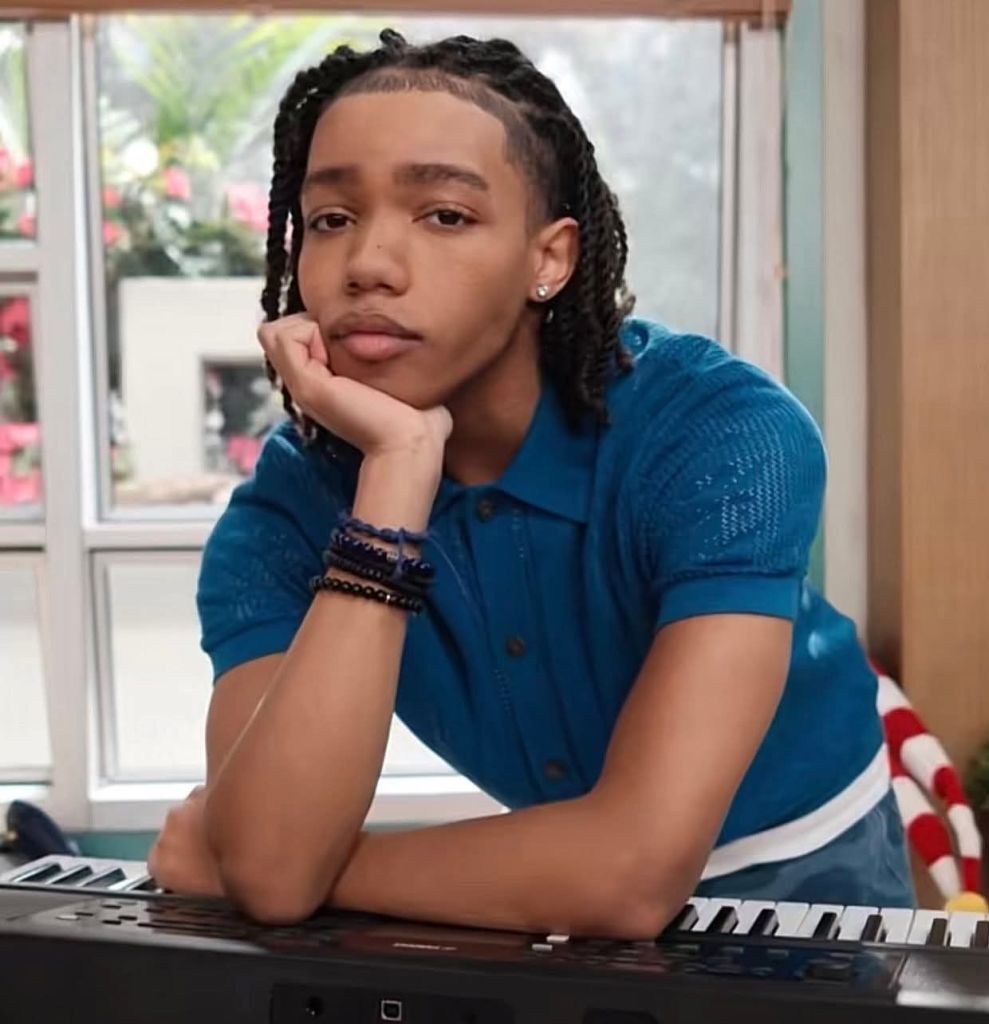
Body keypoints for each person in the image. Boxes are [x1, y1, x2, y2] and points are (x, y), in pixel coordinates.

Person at [148, 29, 915, 937]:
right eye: (331, 218)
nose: (368, 264)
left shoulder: (722, 431)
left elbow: (628, 875)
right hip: (545, 877)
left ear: (548, 259)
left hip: (807, 867)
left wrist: (306, 868)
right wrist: (394, 476)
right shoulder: (286, 509)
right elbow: (276, 878)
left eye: (444, 215)